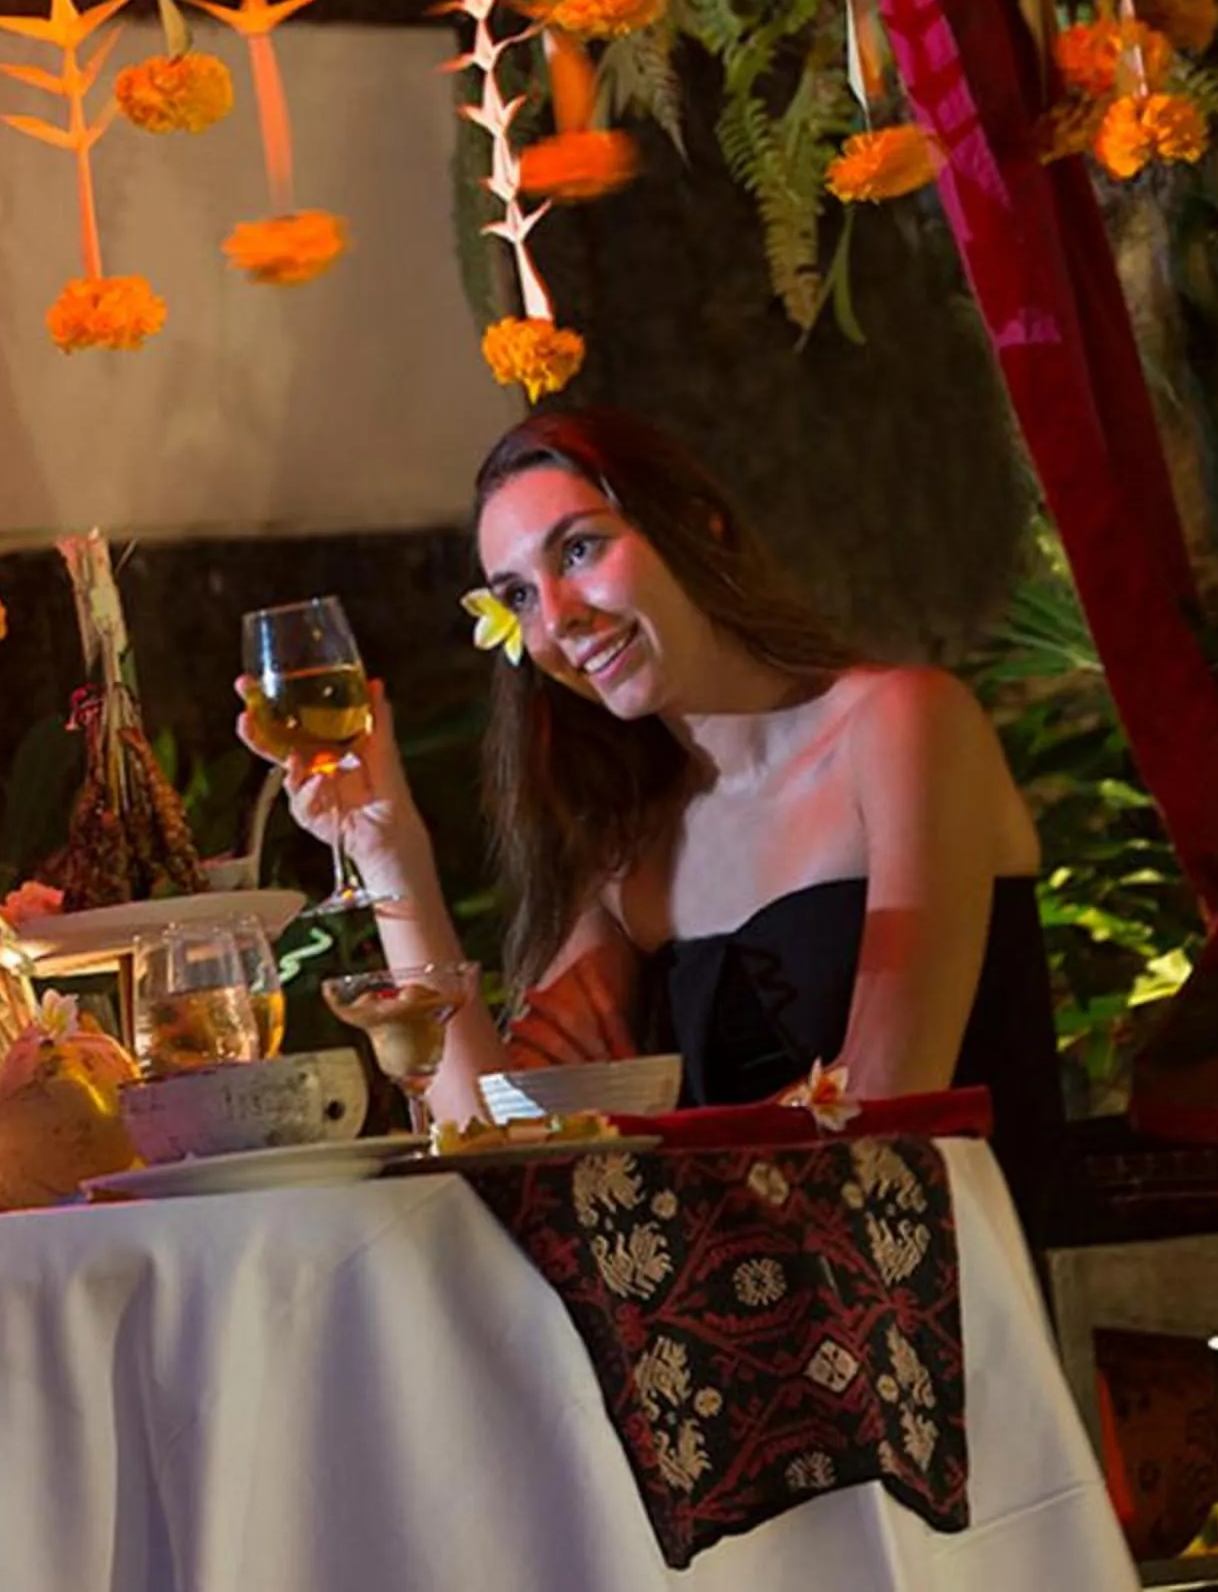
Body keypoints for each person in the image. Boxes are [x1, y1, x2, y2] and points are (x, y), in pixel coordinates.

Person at [240, 408, 1060, 1200]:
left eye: (582, 549)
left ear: (698, 529)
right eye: (519, 595)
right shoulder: (636, 851)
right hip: (749, 1298)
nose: (559, 616)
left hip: (950, 1294)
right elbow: (492, 1136)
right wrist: (393, 853)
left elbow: (886, 1100)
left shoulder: (902, 722)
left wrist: (646, 1155)